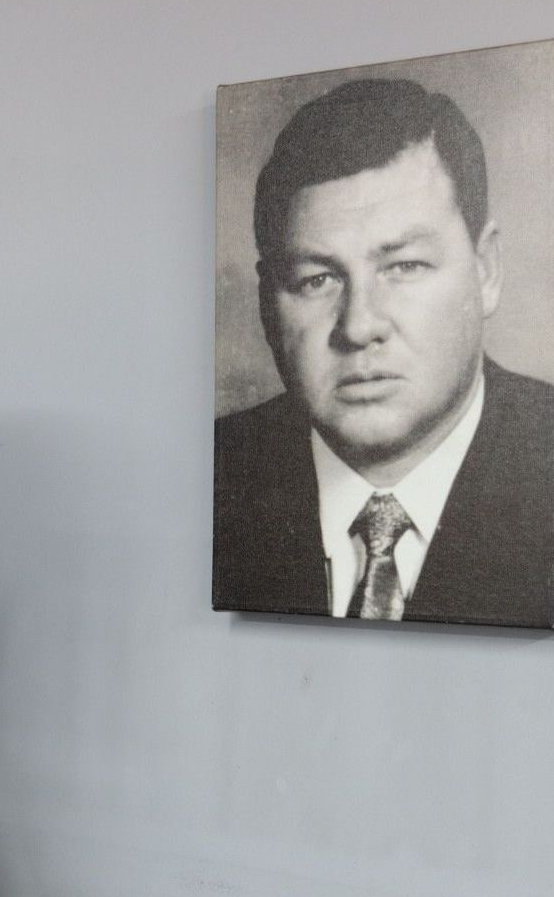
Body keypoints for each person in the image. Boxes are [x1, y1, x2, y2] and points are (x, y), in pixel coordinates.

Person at [214, 78, 554, 627]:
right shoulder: (218, 475)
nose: (359, 326)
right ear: (265, 302)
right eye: (316, 279)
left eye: (404, 267)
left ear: (486, 270)